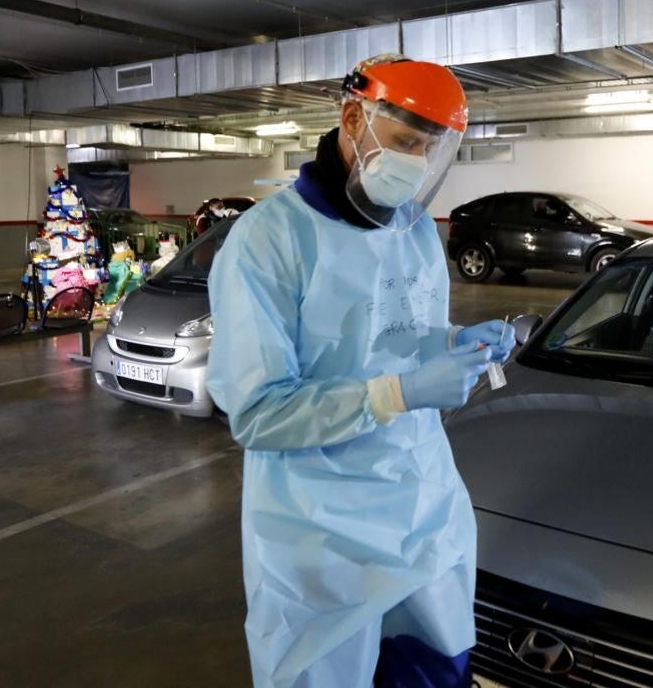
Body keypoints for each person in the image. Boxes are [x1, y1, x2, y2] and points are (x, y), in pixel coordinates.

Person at [205, 54, 516, 688]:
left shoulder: (415, 230)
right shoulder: (271, 240)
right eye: (406, 141)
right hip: (318, 533)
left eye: (431, 149)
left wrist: (454, 340)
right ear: (354, 117)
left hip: (421, 507)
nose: (418, 163)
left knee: (434, 668)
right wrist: (399, 392)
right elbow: (260, 411)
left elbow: (390, 335)